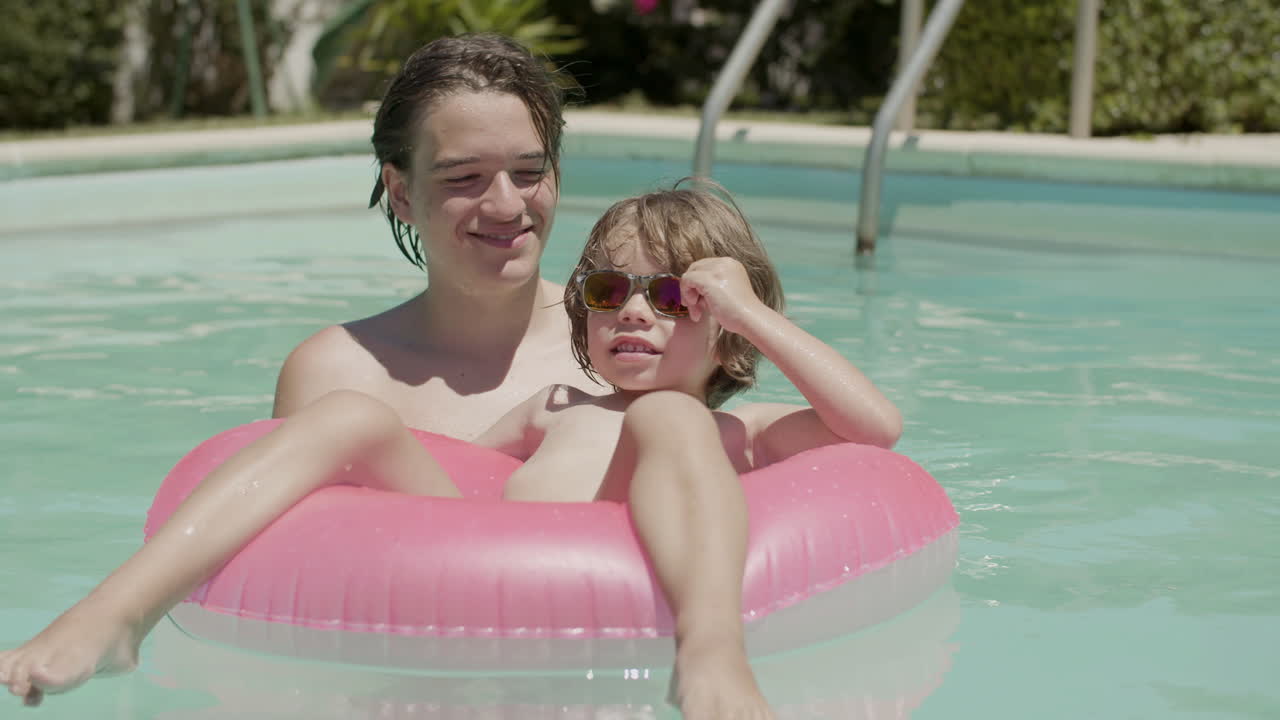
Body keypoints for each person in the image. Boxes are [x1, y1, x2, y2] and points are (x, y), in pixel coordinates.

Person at [0, 31, 593, 708]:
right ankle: (114, 616)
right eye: (463, 178)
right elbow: (300, 575)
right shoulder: (339, 372)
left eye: (529, 170)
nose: (507, 205)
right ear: (399, 193)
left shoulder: (625, 345)